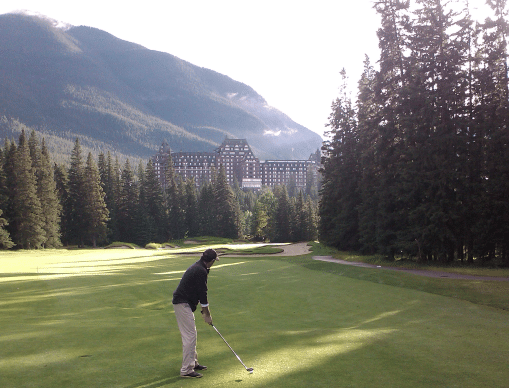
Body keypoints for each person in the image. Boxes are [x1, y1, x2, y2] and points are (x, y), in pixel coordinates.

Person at [172, 248, 218, 378]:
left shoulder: (199, 267)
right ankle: (186, 369)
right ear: (212, 261)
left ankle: (193, 362)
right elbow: (203, 294)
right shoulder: (200, 270)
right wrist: (207, 315)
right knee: (190, 336)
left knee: (191, 334)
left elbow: (198, 292)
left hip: (184, 302)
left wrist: (204, 312)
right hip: (182, 303)